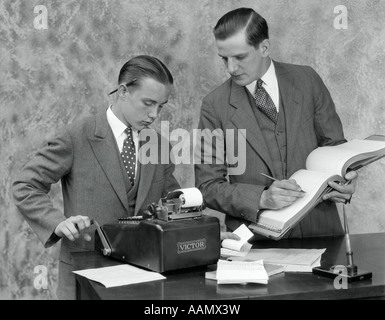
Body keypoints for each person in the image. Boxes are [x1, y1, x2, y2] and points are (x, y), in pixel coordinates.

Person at [12, 55, 181, 300]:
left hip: (146, 281)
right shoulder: (77, 135)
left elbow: (173, 205)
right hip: (85, 280)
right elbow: (25, 185)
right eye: (148, 103)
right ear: (123, 91)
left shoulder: (159, 145)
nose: (154, 114)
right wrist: (57, 222)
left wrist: (207, 233)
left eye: (161, 106)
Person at [194, 8, 358, 238]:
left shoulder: (308, 80)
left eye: (240, 57)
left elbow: (335, 148)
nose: (231, 68)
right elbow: (207, 186)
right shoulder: (214, 104)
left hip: (322, 234)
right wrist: (261, 198)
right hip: (254, 245)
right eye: (224, 58)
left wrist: (346, 181)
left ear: (264, 47)